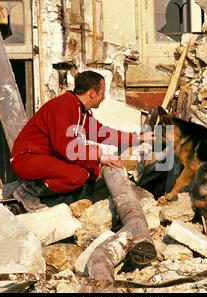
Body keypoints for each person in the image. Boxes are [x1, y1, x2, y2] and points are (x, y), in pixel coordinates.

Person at [10, 70, 154, 211]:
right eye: (102, 93)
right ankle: (28, 193)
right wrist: (99, 156)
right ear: (92, 93)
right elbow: (65, 147)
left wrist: (135, 138)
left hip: (44, 157)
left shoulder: (79, 109)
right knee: (76, 176)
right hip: (27, 158)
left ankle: (78, 203)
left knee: (91, 168)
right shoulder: (62, 106)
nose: (103, 97)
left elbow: (102, 132)